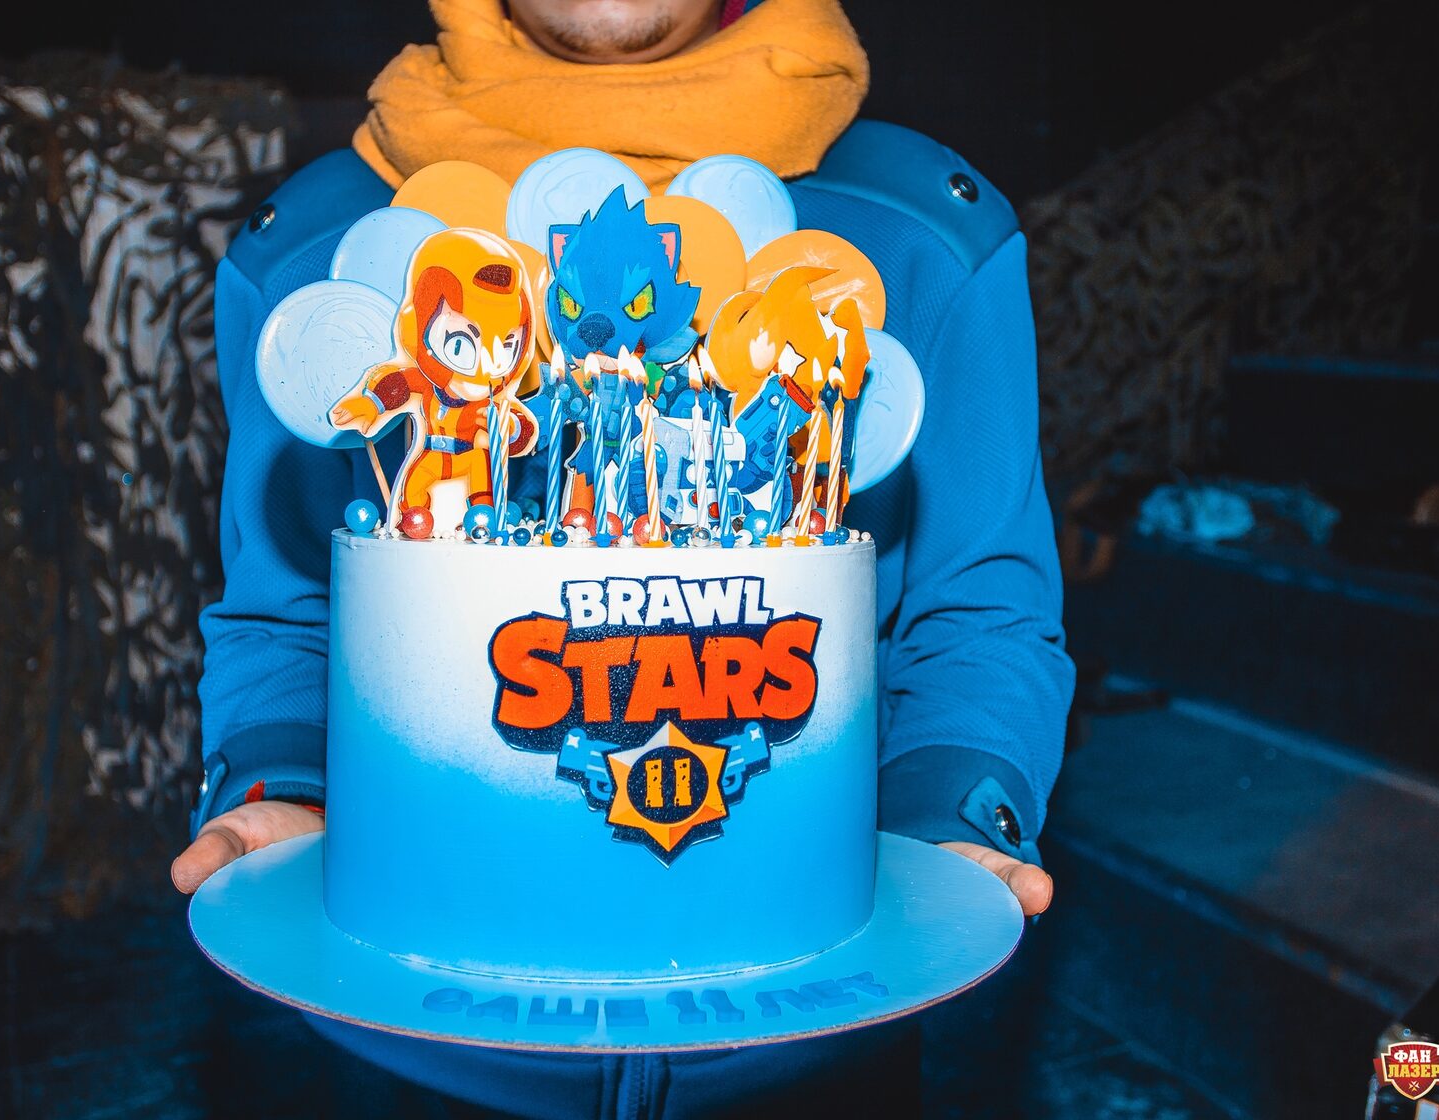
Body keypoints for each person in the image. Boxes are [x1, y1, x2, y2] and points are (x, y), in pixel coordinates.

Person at [173, 0, 1072, 1115]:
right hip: (421, 1035)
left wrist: (945, 812)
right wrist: (284, 784)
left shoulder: (928, 234)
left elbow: (981, 612)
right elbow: (283, 614)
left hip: (808, 1029)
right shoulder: (311, 257)